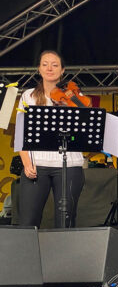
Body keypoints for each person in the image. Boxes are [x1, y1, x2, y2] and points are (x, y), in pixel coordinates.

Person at [17, 50, 85, 227]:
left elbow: (85, 126)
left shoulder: (73, 94)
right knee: (28, 221)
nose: (49, 68)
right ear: (39, 69)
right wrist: (26, 163)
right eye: (45, 64)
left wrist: (73, 102)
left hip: (69, 165)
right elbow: (20, 134)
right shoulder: (28, 96)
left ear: (62, 70)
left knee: (66, 222)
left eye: (55, 65)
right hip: (36, 165)